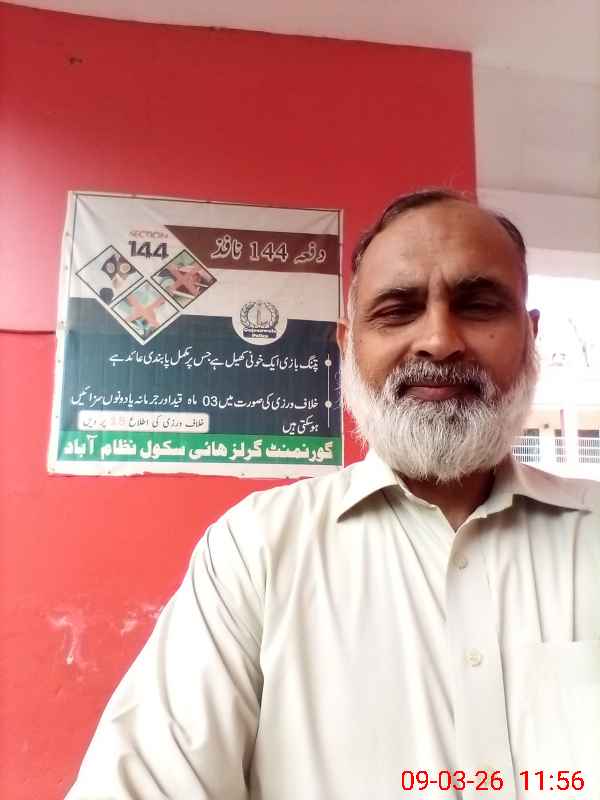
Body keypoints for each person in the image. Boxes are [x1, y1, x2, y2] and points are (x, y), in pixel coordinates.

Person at [65, 190, 600, 800]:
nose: (439, 340)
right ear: (348, 345)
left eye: (478, 306)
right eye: (397, 311)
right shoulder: (257, 550)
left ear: (531, 336)